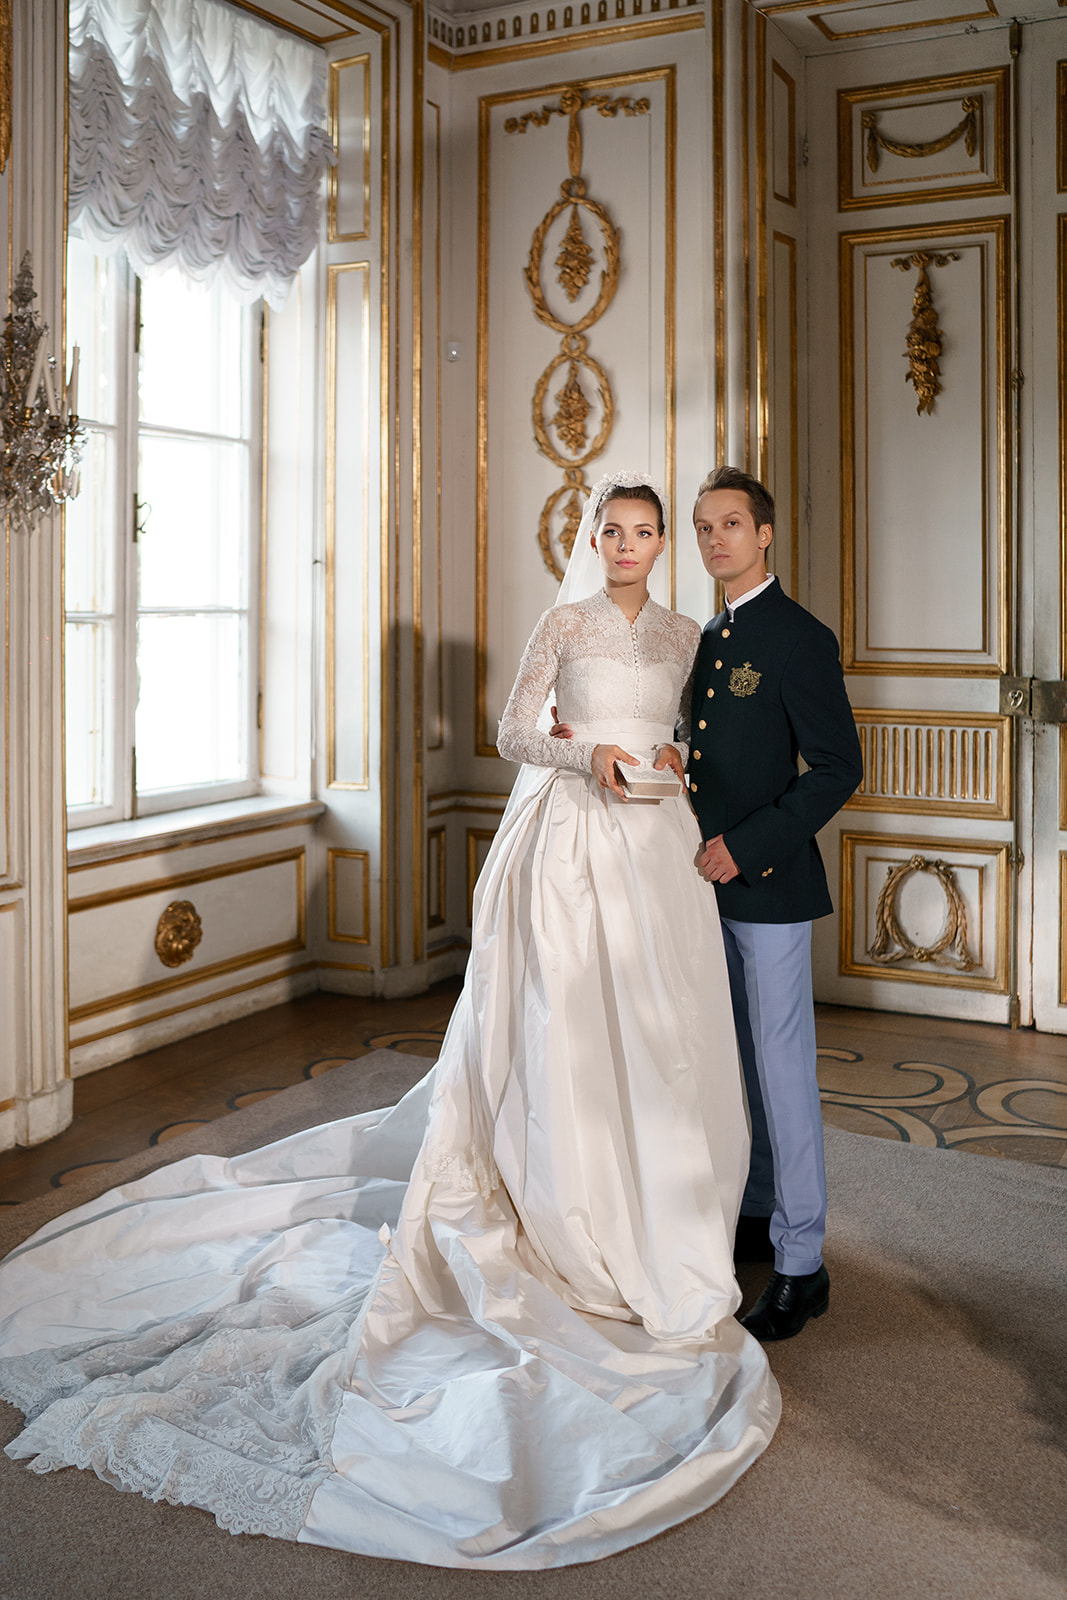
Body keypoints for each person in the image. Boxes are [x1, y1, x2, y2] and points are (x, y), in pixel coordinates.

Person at [0, 472, 779, 1572]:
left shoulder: (687, 632)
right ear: (590, 537)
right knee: (563, 1035)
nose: (628, 544)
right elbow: (514, 731)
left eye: (646, 533)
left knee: (665, 1034)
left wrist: (665, 765)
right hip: (568, 842)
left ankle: (660, 1212)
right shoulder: (559, 622)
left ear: (664, 546)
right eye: (613, 530)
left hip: (655, 845)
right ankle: (560, 1203)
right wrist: (583, 753)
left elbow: (686, 735)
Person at [683, 465, 863, 1342]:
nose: (715, 539)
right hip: (692, 883)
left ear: (763, 535)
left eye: (730, 524)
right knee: (734, 1059)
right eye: (703, 527)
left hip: (766, 885)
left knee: (784, 1074)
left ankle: (802, 1262)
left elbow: (837, 770)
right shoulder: (706, 639)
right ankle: (757, 1213)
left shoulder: (798, 636)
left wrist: (746, 847)